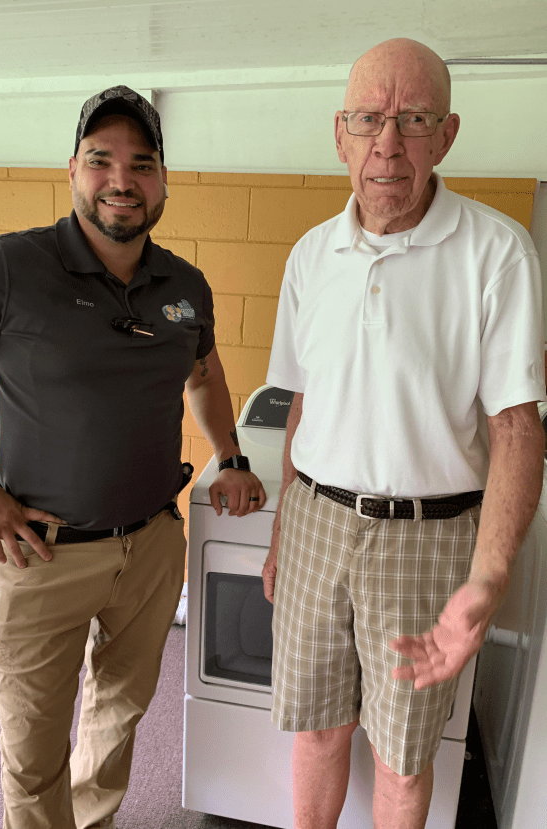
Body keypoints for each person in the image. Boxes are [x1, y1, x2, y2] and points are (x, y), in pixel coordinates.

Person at [0, 86, 265, 829]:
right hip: (42, 554)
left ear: (164, 180)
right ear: (72, 169)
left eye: (142, 164)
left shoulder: (184, 285)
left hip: (149, 547)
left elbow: (203, 374)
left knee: (119, 711)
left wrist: (231, 453)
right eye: (101, 160)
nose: (122, 180)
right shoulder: (8, 269)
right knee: (34, 741)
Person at [262, 38, 545, 829]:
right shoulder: (311, 255)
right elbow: (303, 404)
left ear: (446, 134)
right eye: (369, 119)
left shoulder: (497, 253)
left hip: (429, 538)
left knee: (402, 757)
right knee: (318, 728)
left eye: (413, 119)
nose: (388, 143)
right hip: (317, 519)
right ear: (340, 133)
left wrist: (486, 581)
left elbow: (519, 429)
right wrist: (286, 527)